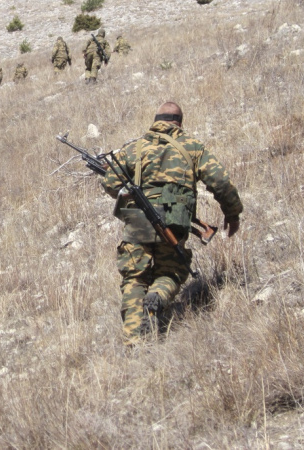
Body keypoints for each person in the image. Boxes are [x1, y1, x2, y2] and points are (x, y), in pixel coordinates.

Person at [99, 102, 243, 344]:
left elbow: (111, 184)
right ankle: (158, 296)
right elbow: (220, 182)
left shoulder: (134, 148)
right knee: (172, 271)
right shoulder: (193, 147)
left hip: (138, 220)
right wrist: (233, 213)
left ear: (156, 121)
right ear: (179, 123)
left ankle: (134, 340)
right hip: (174, 220)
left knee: (134, 277)